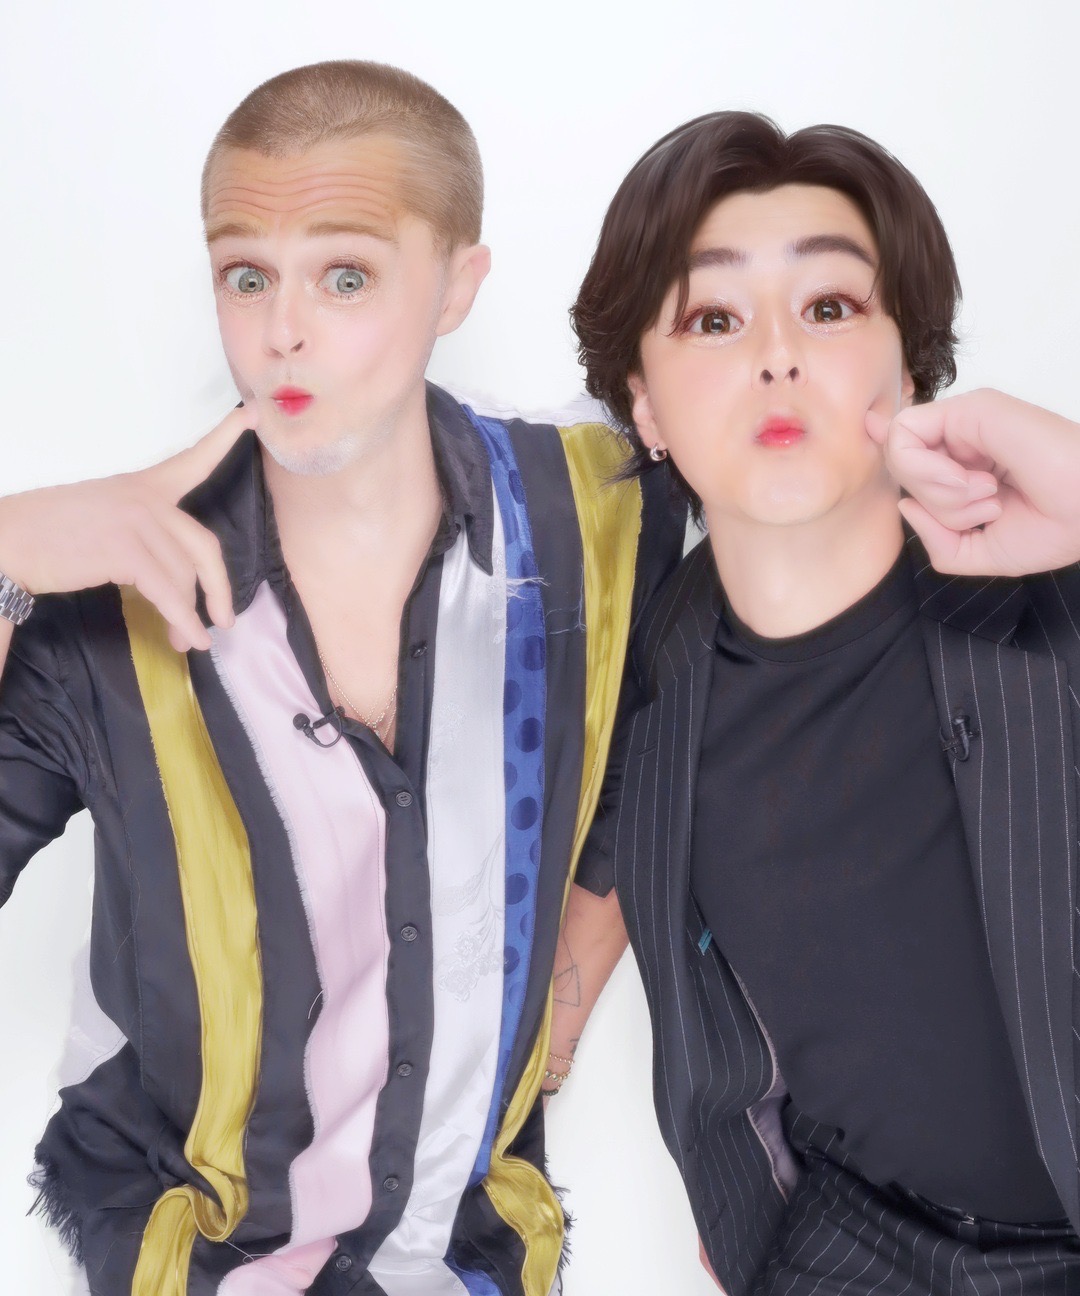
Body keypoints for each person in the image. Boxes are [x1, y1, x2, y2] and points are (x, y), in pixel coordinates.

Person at [0, 61, 681, 1296]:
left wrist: (570, 990)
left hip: (476, 1241)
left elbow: (675, 718)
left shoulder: (598, 518)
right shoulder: (103, 604)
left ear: (458, 285)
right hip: (192, 1239)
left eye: (347, 275)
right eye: (246, 275)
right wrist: (2, 553)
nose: (282, 332)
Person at [559, 110, 1080, 1294]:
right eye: (714, 319)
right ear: (645, 407)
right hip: (861, 1241)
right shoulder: (659, 654)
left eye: (831, 306)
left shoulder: (1054, 583)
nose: (777, 355)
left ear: (911, 368)